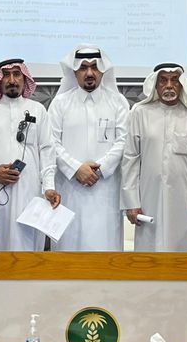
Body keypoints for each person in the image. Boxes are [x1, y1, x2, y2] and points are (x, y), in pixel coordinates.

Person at [43, 46, 130, 251]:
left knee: (105, 250)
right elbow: (51, 142)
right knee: (69, 251)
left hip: (106, 191)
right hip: (69, 189)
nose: (89, 73)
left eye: (94, 67)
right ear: (74, 72)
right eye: (83, 68)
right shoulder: (60, 103)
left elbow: (123, 140)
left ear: (102, 70)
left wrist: (100, 168)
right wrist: (76, 169)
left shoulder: (118, 102)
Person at [121, 63, 187, 252]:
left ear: (182, 85)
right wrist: (131, 203)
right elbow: (130, 159)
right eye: (163, 80)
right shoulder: (140, 113)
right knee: (148, 255)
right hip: (148, 199)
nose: (169, 85)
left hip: (185, 201)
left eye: (174, 80)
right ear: (155, 84)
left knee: (183, 256)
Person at [0, 58, 52, 253]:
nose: (12, 80)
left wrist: (49, 187)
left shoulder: (38, 110)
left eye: (17, 74)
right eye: (6, 75)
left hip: (30, 194)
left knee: (28, 247)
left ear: (25, 78)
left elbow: (47, 151)